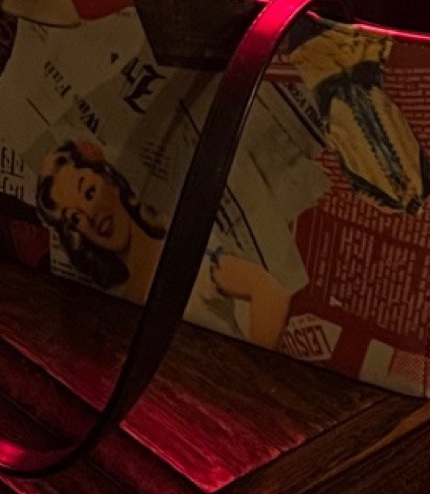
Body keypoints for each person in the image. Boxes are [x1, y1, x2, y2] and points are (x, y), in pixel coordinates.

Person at [36, 140, 293, 349]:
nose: (91, 215)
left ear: (111, 180)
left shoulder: (184, 252)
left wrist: (243, 380)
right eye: (75, 218)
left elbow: (270, 292)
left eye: (89, 192)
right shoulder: (120, 298)